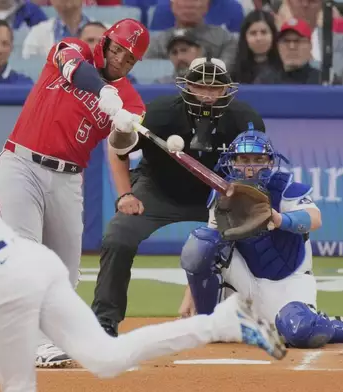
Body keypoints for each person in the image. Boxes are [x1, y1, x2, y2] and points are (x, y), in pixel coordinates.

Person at [0, 111, 286, 392]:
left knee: (17, 386)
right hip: (30, 267)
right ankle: (221, 322)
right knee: (107, 359)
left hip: (9, 279)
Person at [0, 18, 150, 367]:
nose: (120, 59)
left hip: (67, 178)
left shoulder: (133, 101)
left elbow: (122, 145)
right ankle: (30, 342)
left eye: (129, 58)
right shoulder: (72, 48)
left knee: (65, 271)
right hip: (21, 164)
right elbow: (73, 67)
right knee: (26, 255)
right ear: (106, 42)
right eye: (118, 49)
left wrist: (126, 127)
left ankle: (28, 331)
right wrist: (104, 93)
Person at [91, 57, 266, 337]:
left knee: (254, 230)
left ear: (226, 91)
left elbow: (251, 175)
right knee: (118, 236)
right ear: (187, 87)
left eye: (215, 88)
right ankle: (104, 321)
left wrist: (193, 286)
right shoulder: (159, 113)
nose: (207, 95)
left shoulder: (245, 120)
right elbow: (117, 150)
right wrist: (124, 194)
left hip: (216, 196)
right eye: (200, 87)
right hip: (158, 188)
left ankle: (253, 310)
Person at [177, 130, 343, 349]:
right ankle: (206, 323)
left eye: (258, 159)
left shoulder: (285, 188)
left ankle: (330, 324)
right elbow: (206, 251)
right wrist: (191, 295)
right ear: (232, 162)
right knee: (202, 241)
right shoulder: (223, 193)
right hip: (244, 281)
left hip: (287, 282)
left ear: (270, 162)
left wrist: (279, 219)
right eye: (243, 160)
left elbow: (314, 218)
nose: (250, 166)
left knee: (301, 331)